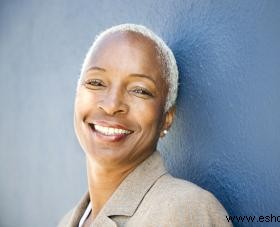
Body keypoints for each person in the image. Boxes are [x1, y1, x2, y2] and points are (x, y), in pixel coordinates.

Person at [58, 24, 232, 227]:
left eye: (139, 90)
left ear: (166, 118)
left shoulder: (186, 210)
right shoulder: (67, 222)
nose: (112, 105)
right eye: (96, 82)